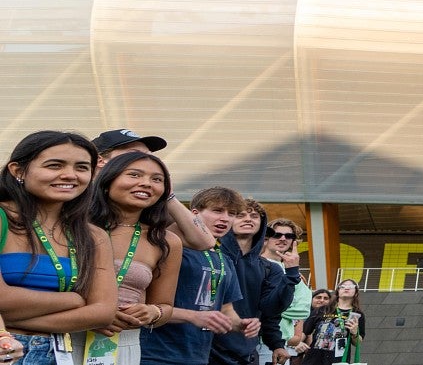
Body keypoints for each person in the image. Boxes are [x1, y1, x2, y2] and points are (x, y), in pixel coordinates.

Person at [0, 130, 117, 365]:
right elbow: (3, 300)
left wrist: (15, 320)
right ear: (18, 170)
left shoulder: (94, 236)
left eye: (82, 168)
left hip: (57, 353)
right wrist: (74, 300)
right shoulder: (2, 218)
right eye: (54, 166)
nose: (69, 175)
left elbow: (104, 312)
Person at [88, 152, 186, 364]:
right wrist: (93, 314)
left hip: (124, 344)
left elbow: (165, 306)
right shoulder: (74, 227)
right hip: (66, 337)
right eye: (134, 175)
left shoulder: (166, 240)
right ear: (107, 181)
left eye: (157, 180)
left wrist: (152, 312)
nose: (146, 184)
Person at [141, 186, 252, 365]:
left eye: (232, 213)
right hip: (153, 355)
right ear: (194, 214)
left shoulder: (225, 259)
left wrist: (239, 324)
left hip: (198, 357)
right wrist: (193, 316)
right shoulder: (167, 248)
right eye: (217, 210)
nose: (225, 218)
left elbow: (226, 310)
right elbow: (144, 305)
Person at [210, 197, 298, 365]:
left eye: (254, 216)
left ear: (262, 225)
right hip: (206, 351)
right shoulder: (209, 258)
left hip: (245, 353)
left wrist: (276, 345)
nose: (248, 219)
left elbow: (270, 312)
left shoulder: (270, 269)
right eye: (240, 215)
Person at [264, 218, 312, 365]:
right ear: (266, 238)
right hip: (259, 340)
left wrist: (277, 306)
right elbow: (263, 306)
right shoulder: (256, 265)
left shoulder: (292, 271)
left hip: (280, 344)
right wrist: (280, 305)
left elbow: (302, 309)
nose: (283, 239)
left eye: (289, 236)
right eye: (277, 235)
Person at [299, 279, 364, 365]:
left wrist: (355, 332)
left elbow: (357, 343)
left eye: (350, 287)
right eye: (343, 286)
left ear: (356, 292)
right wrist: (297, 343)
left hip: (338, 361)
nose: (346, 288)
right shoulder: (322, 310)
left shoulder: (357, 314)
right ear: (338, 292)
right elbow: (305, 331)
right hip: (314, 359)